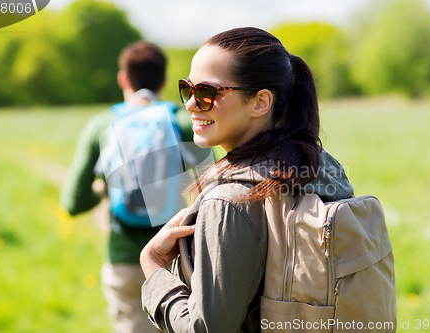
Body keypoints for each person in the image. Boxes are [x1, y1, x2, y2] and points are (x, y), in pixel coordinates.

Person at [139, 27, 355, 332]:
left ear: (260, 103)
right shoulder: (322, 170)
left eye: (206, 93)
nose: (190, 104)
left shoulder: (228, 202)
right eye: (187, 89)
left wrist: (152, 265)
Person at [61, 41, 193, 333]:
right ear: (164, 80)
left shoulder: (103, 124)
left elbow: (73, 202)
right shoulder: (183, 121)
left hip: (123, 258)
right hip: (177, 260)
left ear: (123, 78)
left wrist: (103, 189)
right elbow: (211, 185)